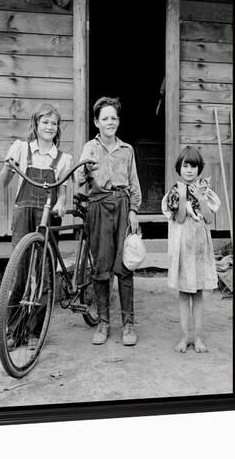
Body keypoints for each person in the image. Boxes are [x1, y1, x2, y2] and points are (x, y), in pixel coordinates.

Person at [0, 103, 72, 349]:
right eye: (45, 122)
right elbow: (3, 181)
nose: (50, 127)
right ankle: (13, 331)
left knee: (44, 273)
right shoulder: (21, 149)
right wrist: (8, 167)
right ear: (36, 124)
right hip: (23, 214)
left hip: (48, 216)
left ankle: (35, 333)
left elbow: (62, 193)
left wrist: (61, 204)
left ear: (58, 128)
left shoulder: (63, 158)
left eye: (54, 123)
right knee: (19, 271)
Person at [75, 97, 142, 346]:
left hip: (123, 206)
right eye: (105, 118)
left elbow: (134, 182)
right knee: (101, 267)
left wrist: (134, 210)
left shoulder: (127, 150)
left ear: (118, 121)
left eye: (114, 117)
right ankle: (103, 323)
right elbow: (80, 180)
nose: (110, 122)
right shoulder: (89, 148)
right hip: (98, 207)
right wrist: (84, 169)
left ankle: (128, 324)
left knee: (125, 265)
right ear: (96, 122)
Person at [161, 146, 221, 353]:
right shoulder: (175, 192)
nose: (189, 170)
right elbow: (178, 217)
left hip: (200, 248)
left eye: (193, 166)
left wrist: (201, 197)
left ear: (199, 169)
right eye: (185, 166)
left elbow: (209, 218)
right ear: (179, 168)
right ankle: (184, 336)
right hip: (183, 247)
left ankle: (198, 338)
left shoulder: (205, 190)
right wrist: (186, 197)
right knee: (185, 294)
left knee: (198, 294)